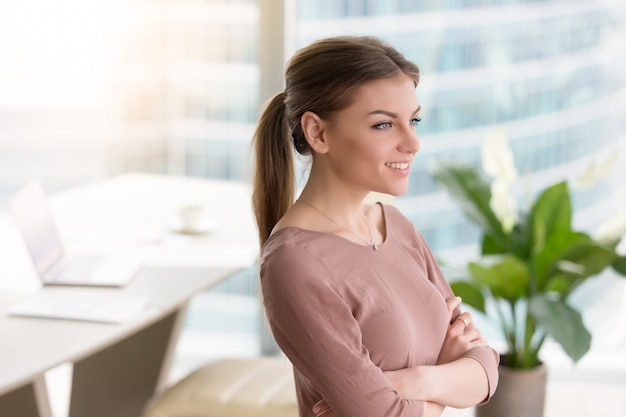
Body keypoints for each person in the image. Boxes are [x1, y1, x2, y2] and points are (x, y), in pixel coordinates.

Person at [251, 35, 499, 417]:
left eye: (413, 120)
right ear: (318, 133)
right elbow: (385, 414)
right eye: (384, 125)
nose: (413, 142)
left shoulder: (396, 226)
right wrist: (445, 379)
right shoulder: (295, 264)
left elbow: (485, 367)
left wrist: (414, 382)